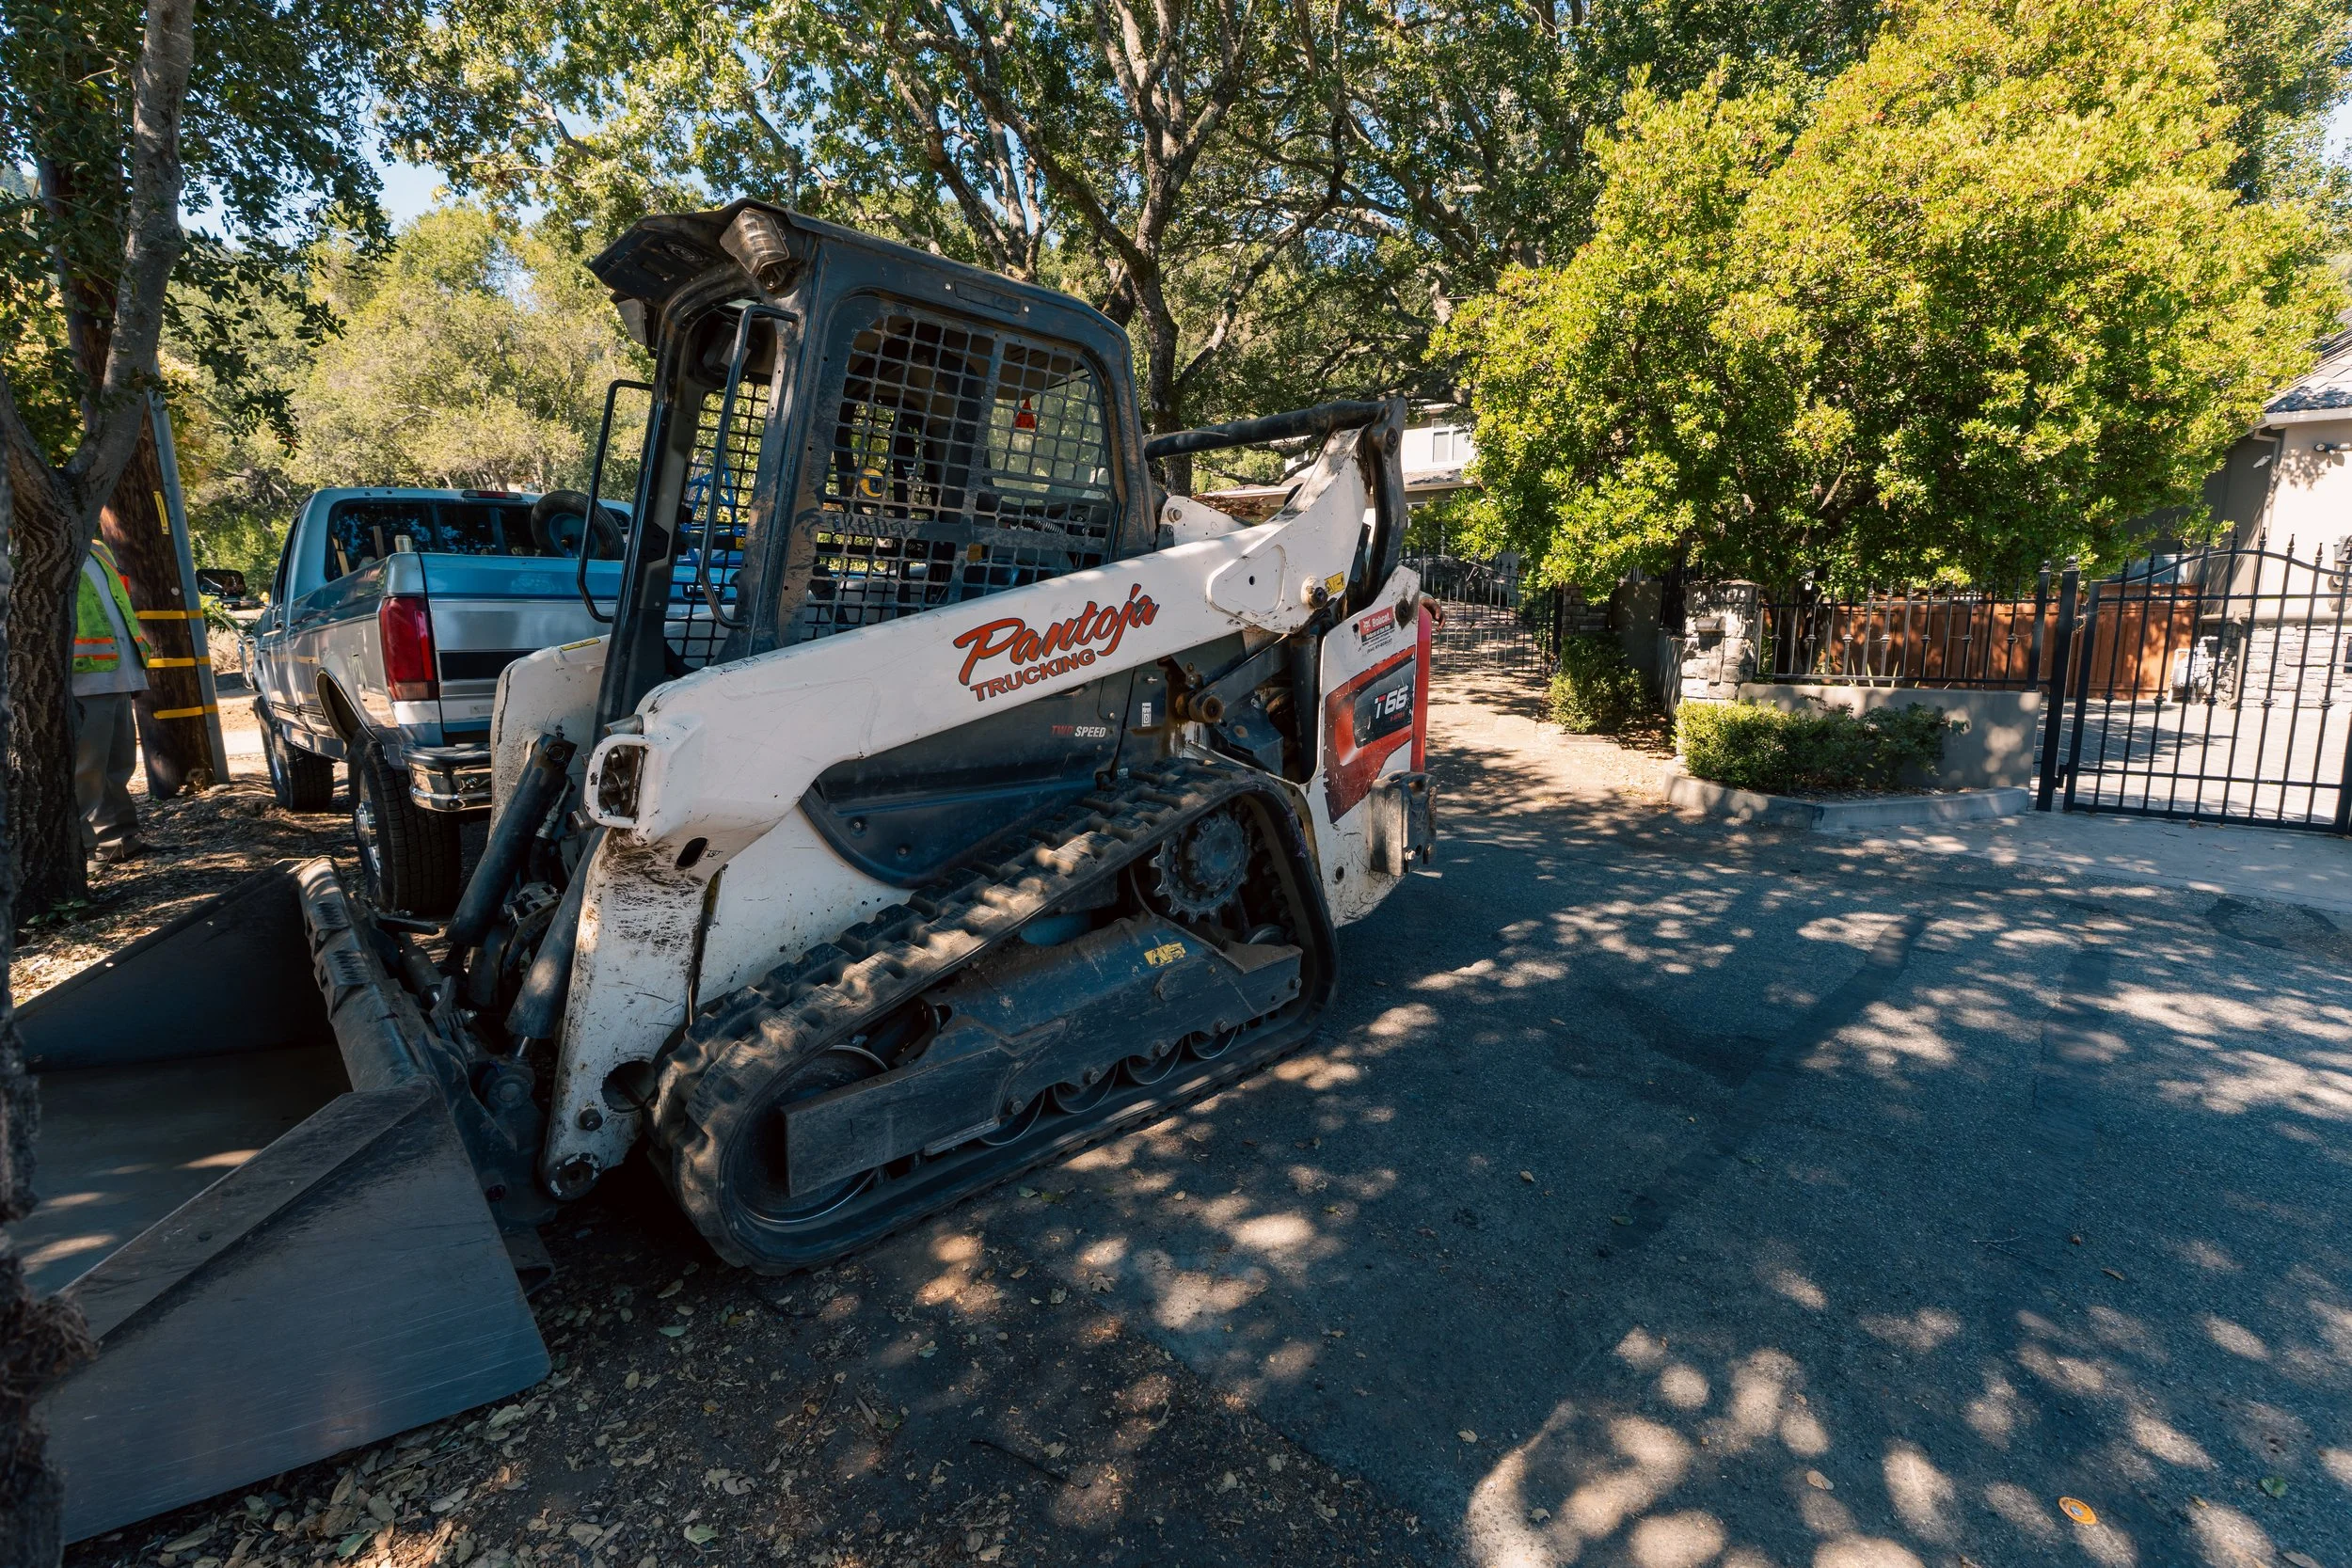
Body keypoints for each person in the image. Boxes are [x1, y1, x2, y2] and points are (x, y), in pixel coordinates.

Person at [73, 535, 151, 863]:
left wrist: (134, 671)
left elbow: (118, 611)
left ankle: (119, 841)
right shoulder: (25, 544)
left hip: (115, 672)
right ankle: (81, 853)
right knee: (85, 772)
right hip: (83, 678)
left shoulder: (95, 548)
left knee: (118, 766)